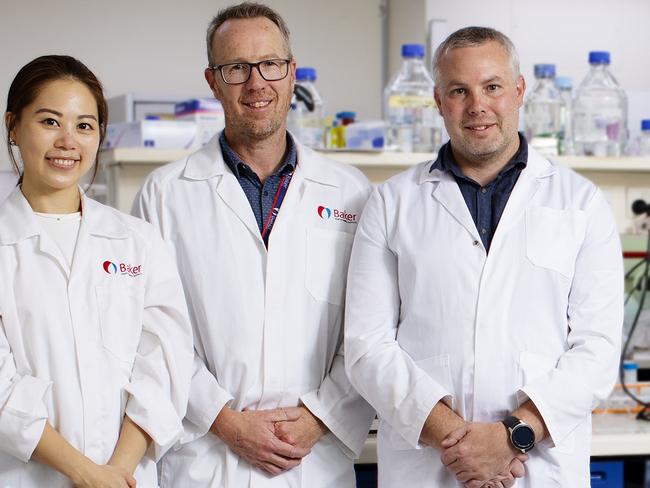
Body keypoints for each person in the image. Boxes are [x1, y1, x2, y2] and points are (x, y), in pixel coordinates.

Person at [344, 26, 623, 487]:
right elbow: (367, 347)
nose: (477, 106)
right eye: (459, 91)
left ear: (518, 90)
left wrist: (513, 435)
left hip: (538, 469)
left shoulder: (581, 203)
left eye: (492, 87)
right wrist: (460, 442)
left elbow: (597, 351)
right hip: (431, 467)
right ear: (437, 100)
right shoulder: (392, 202)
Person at [132, 2, 375, 487]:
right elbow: (150, 334)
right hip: (205, 459)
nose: (256, 82)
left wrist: (319, 417)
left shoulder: (351, 191)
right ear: (212, 81)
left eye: (270, 64)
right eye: (236, 68)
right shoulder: (165, 193)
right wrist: (226, 422)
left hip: (314, 461)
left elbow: (370, 330)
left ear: (290, 73)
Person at [0, 55, 194, 487]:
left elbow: (165, 365)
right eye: (50, 122)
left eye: (84, 126)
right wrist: (85, 474)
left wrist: (117, 473)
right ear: (13, 126)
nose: (68, 141)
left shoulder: (137, 242)